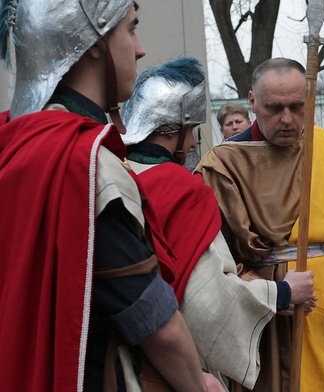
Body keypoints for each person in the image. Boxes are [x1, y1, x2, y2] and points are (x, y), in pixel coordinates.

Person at [0, 1, 222, 391]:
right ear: (94, 42)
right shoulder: (85, 165)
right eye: (131, 29)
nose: (140, 48)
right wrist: (198, 384)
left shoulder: (12, 145)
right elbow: (157, 325)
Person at [196, 58, 324, 392]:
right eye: (275, 108)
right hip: (272, 330)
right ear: (253, 101)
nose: (287, 119)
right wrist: (272, 292)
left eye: (297, 106)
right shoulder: (222, 165)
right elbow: (214, 262)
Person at [121, 57, 316, 389]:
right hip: (162, 364)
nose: (193, 143)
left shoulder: (110, 172)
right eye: (191, 131)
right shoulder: (181, 189)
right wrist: (282, 293)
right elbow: (207, 302)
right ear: (174, 129)